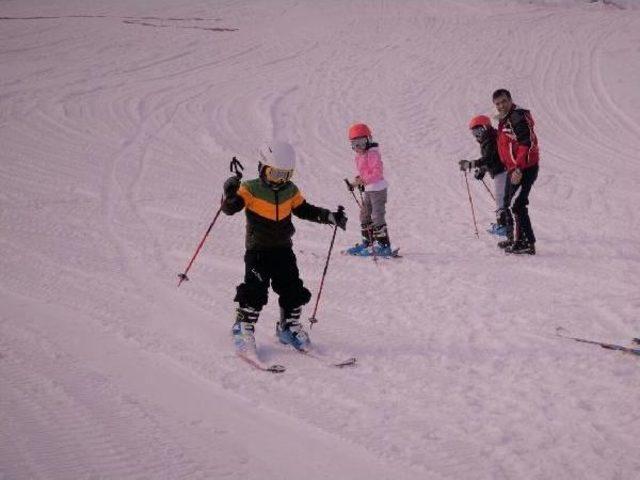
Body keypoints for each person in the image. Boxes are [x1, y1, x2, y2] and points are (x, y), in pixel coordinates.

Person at [221, 141, 347, 353]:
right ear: (263, 168)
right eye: (275, 174)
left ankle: (287, 327)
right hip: (258, 251)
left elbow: (304, 209)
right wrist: (230, 194)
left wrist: (329, 216)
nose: (280, 181)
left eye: (286, 175)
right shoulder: (250, 189)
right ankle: (242, 327)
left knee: (292, 288)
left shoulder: (291, 191)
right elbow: (230, 208)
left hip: (283, 250)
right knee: (255, 290)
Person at [492, 88, 540, 255]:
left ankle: (526, 243)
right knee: (506, 203)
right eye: (498, 103)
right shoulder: (504, 119)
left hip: (525, 168)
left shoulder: (517, 117)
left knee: (517, 205)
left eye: (504, 101)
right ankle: (514, 239)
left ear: (510, 99)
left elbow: (527, 143)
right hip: (513, 168)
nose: (501, 105)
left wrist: (519, 168)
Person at [344, 123, 393, 256]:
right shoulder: (360, 156)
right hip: (369, 189)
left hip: (378, 189)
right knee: (364, 215)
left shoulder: (373, 154)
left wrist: (363, 180)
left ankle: (383, 245)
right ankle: (368, 242)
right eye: (354, 144)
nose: (358, 147)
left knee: (377, 216)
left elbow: (376, 173)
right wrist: (355, 182)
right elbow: (365, 173)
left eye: (361, 143)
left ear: (368, 140)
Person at [458, 115, 508, 236]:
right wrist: (482, 170)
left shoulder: (490, 139)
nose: (476, 135)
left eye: (478, 131)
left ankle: (504, 226)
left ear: (485, 128)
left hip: (502, 171)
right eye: (474, 132)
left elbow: (489, 158)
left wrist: (471, 164)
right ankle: (504, 224)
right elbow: (491, 159)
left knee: (501, 198)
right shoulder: (490, 138)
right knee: (501, 198)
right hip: (500, 171)